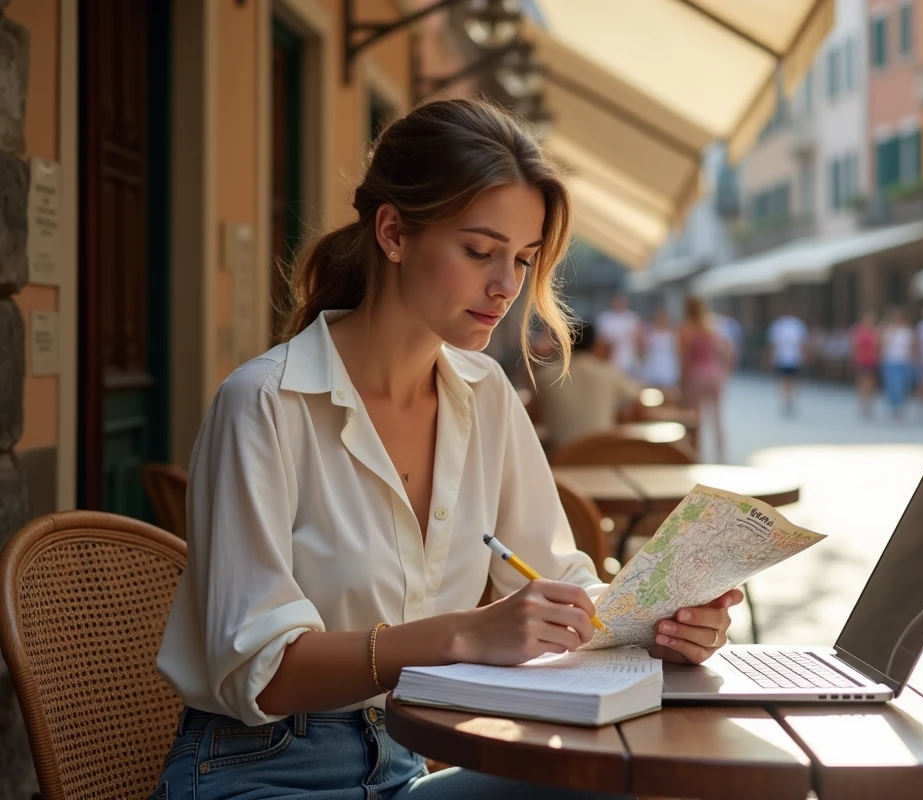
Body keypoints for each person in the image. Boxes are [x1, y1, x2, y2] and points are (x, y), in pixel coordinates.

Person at [153, 98, 742, 800]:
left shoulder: (485, 394)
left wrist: (653, 623)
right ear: (394, 232)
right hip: (258, 771)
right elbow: (264, 669)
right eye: (478, 250)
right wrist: (464, 634)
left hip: (407, 763)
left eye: (522, 260)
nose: (505, 287)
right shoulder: (264, 406)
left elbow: (556, 578)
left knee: (641, 786)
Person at [537, 322, 641, 449]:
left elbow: (535, 411)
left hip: (560, 458)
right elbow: (637, 400)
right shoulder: (608, 373)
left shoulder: (545, 376)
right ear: (594, 344)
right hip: (601, 453)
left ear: (564, 342)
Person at [679, 296, 734, 462]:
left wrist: (681, 382)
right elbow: (729, 351)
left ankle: (697, 458)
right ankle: (721, 458)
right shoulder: (711, 326)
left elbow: (684, 359)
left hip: (696, 376)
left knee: (695, 421)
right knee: (717, 420)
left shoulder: (685, 329)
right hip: (714, 375)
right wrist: (724, 371)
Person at [765, 312, 809, 415]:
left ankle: (788, 399)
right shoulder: (796, 324)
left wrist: (770, 357)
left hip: (787, 357)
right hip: (790, 357)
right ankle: (788, 399)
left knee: (786, 380)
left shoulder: (779, 325)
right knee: (790, 380)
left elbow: (774, 344)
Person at [595, 294, 643, 378]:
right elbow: (601, 339)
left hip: (628, 357)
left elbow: (638, 339)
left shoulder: (632, 318)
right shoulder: (604, 318)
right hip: (610, 358)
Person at [880, 308, 915, 420]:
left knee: (903, 385)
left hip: (904, 361)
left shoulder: (907, 331)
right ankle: (893, 407)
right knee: (893, 385)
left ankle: (901, 406)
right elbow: (882, 344)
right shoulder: (888, 330)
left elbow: (912, 346)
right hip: (891, 361)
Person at [641, 306, 681, 391]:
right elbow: (643, 351)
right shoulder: (650, 334)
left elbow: (678, 352)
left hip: (669, 369)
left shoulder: (673, 334)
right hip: (652, 369)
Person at [850, 310, 881, 419]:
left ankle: (870, 404)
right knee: (862, 382)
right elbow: (854, 346)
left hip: (873, 360)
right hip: (861, 360)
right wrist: (854, 359)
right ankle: (863, 403)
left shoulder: (876, 331)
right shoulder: (858, 330)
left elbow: (879, 346)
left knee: (871, 383)